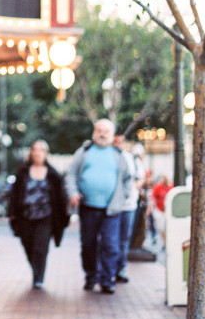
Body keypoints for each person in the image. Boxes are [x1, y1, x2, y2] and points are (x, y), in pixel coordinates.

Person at [66, 118, 133, 294]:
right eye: (99, 130)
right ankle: (91, 276)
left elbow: (128, 180)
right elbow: (71, 173)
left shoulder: (118, 155)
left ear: (112, 135)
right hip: (88, 206)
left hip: (112, 209)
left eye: (106, 131)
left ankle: (107, 279)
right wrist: (73, 192)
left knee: (111, 245)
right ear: (94, 132)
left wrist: (122, 196)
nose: (102, 134)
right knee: (88, 244)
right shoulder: (84, 152)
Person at [8, 139, 69, 289]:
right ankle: (36, 270)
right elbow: (14, 194)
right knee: (28, 245)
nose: (37, 153)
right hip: (26, 216)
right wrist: (12, 213)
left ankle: (38, 277)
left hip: (46, 216)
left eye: (41, 150)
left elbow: (61, 197)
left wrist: (64, 216)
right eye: (34, 149)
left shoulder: (53, 175)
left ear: (46, 154)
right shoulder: (22, 172)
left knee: (40, 247)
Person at [114, 137, 143, 283]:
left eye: (120, 142)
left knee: (124, 239)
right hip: (112, 205)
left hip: (129, 205)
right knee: (110, 239)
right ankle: (108, 269)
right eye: (115, 142)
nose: (118, 144)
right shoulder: (110, 156)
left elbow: (140, 178)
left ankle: (120, 269)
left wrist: (134, 186)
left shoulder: (131, 159)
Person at [148, 174, 173, 248]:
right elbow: (152, 199)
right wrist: (149, 209)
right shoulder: (158, 187)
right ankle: (164, 242)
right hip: (159, 210)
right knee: (161, 227)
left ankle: (167, 241)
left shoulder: (171, 187)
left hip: (168, 211)